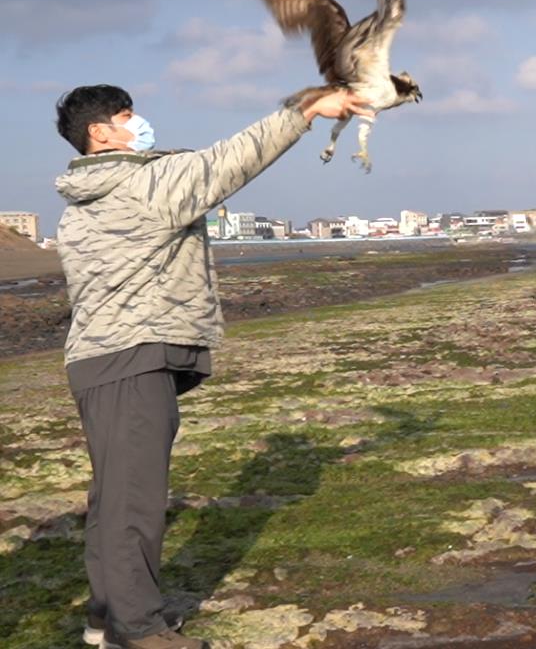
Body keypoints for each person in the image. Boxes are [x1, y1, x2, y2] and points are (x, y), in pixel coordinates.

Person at [53, 86, 370, 649]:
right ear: (99, 132)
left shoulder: (83, 198)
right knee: (134, 501)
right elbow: (231, 159)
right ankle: (139, 629)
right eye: (128, 116)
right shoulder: (143, 183)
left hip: (98, 359)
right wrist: (306, 111)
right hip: (132, 355)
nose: (141, 123)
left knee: (114, 497)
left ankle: (105, 617)